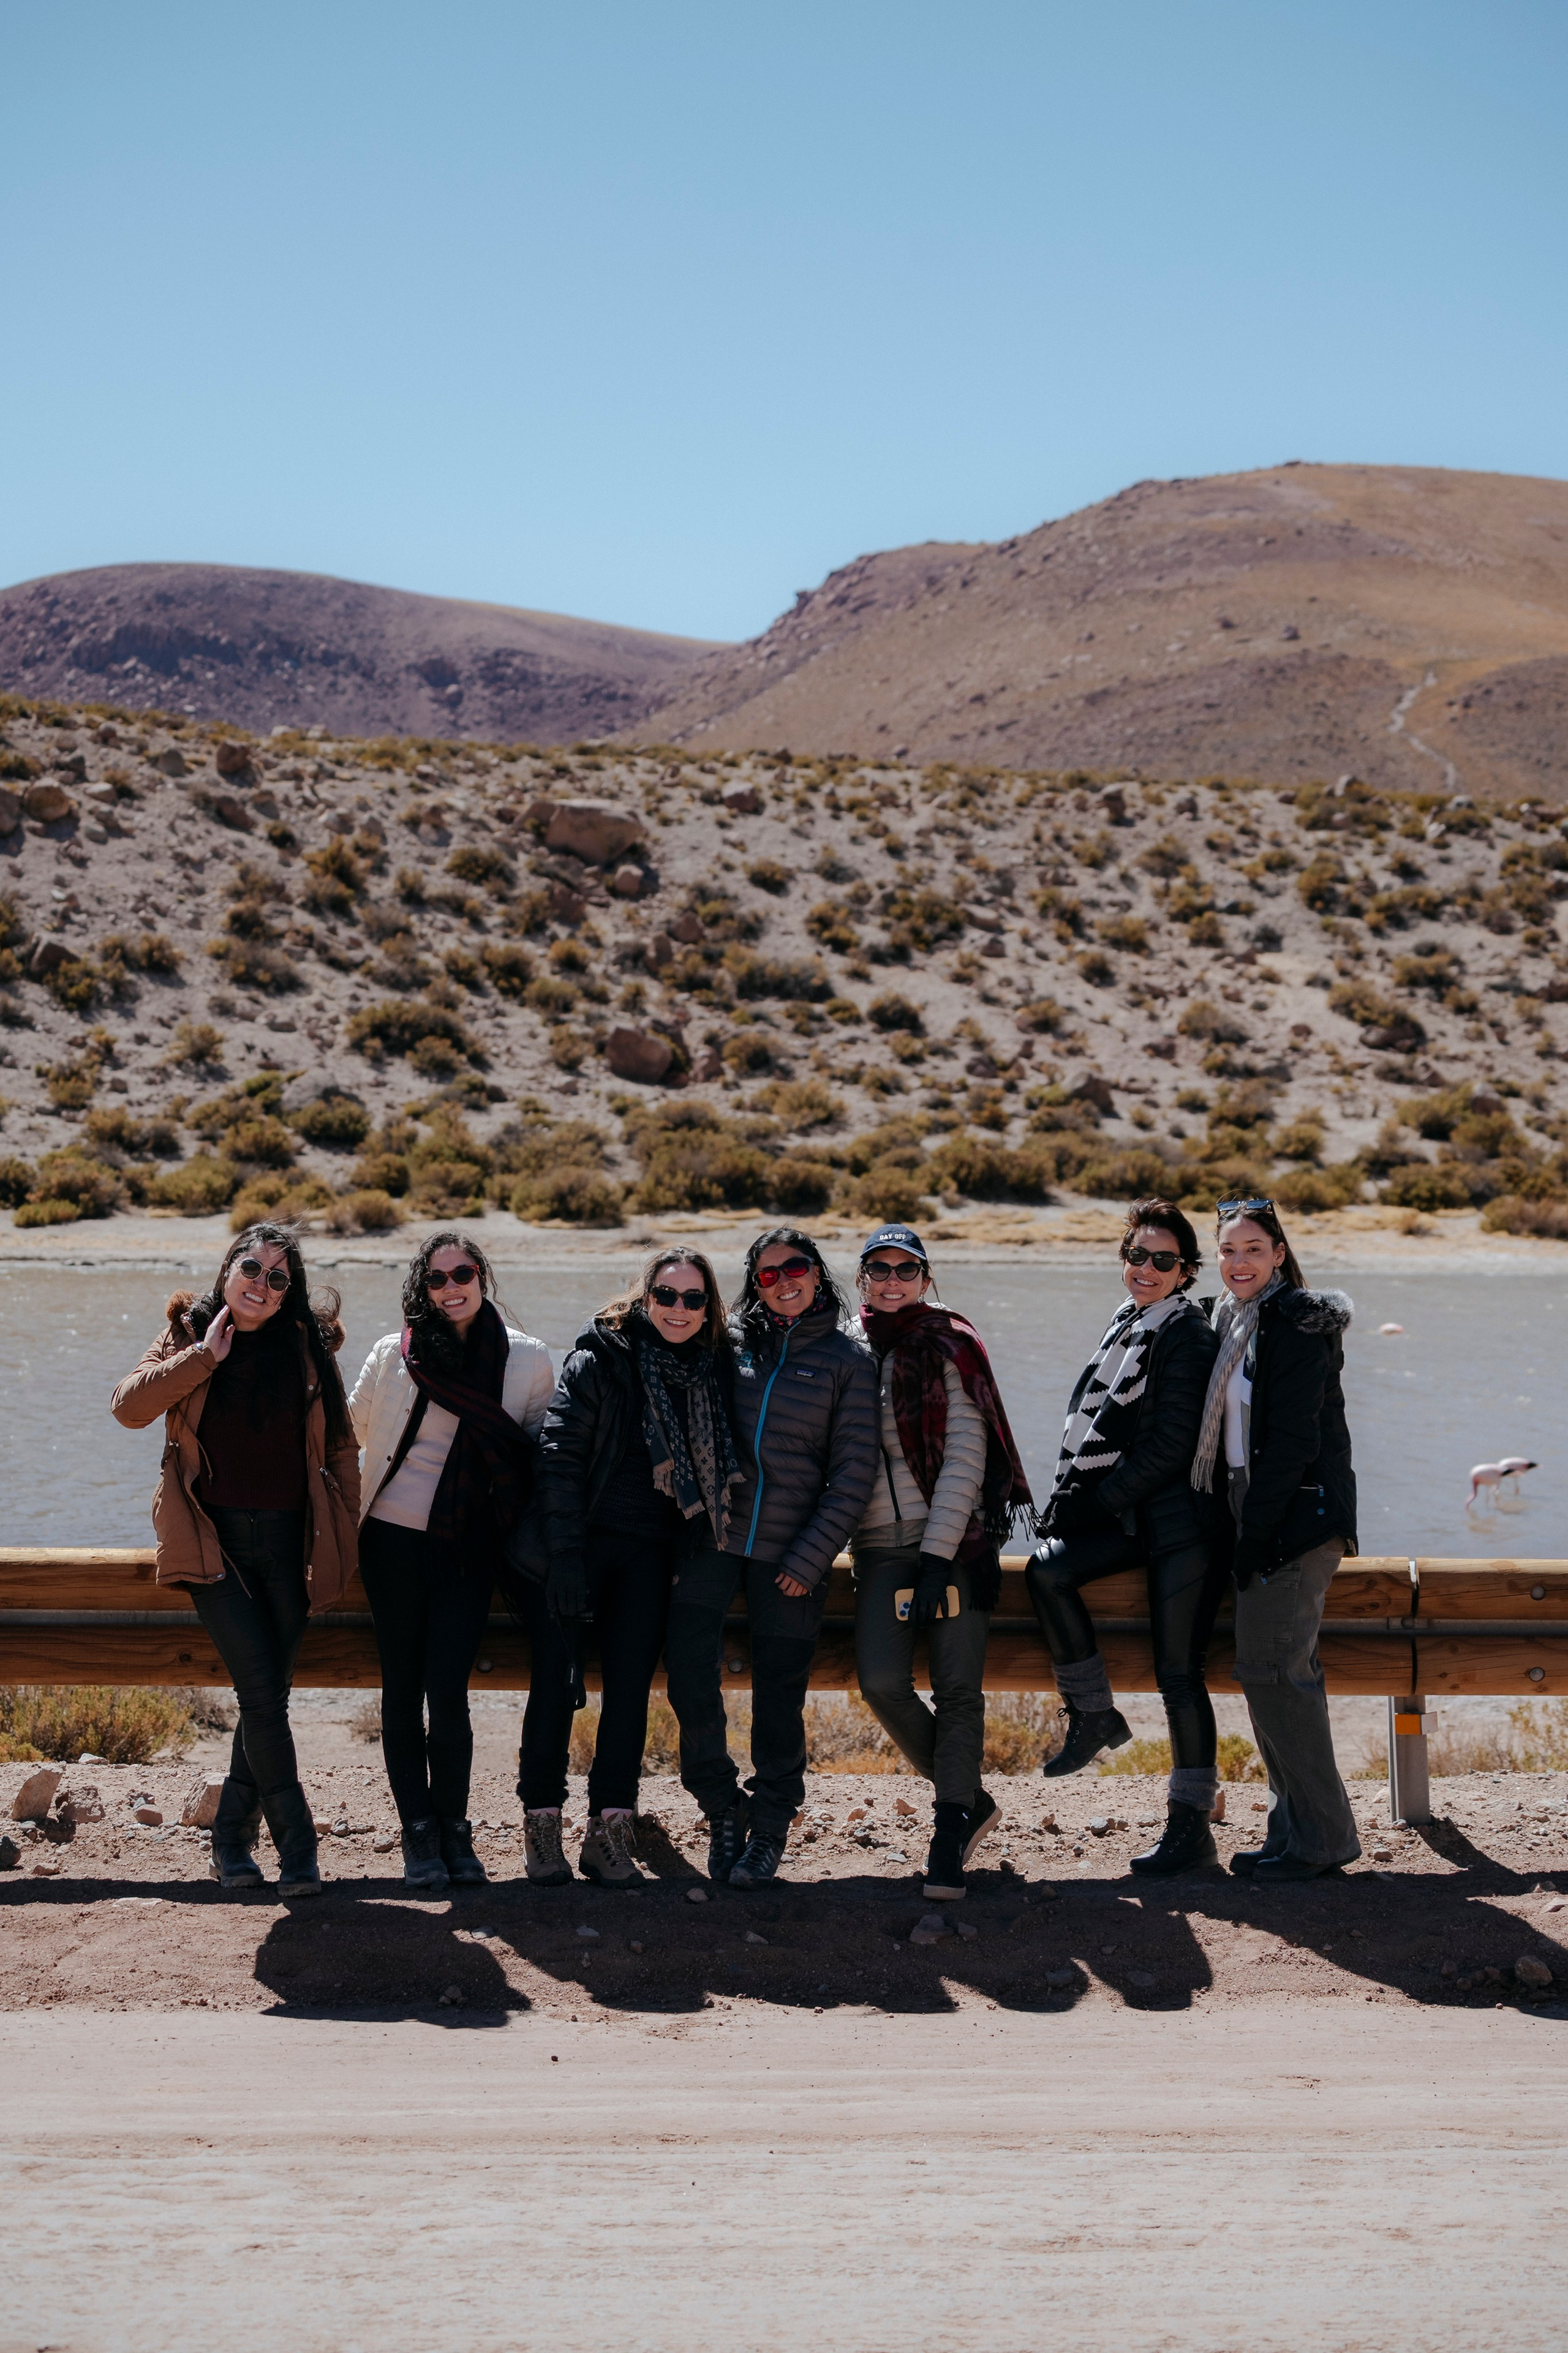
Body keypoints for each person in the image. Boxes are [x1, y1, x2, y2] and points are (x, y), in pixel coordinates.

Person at [111, 1223, 360, 1898]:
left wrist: (343, 1529)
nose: (261, 1284)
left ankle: (230, 1841)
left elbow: (342, 1447)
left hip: (290, 1545)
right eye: (252, 1267)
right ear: (228, 1270)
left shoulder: (307, 1349)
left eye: (278, 1278)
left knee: (265, 1698)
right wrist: (204, 1359)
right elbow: (128, 1408)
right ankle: (299, 1848)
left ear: (287, 1294)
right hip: (212, 1546)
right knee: (261, 1695)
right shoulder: (189, 1333)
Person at [518, 1247, 740, 1888]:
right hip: (578, 1546)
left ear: (709, 1307)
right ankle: (542, 1824)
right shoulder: (601, 1358)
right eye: (666, 1295)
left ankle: (609, 1830)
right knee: (555, 1684)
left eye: (693, 1298)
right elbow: (559, 1455)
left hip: (649, 1555)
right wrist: (565, 1556)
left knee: (628, 1691)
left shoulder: (712, 1370)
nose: (679, 1309)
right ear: (646, 1299)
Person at [663, 1226, 877, 1889]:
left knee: (779, 1697)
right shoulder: (730, 1344)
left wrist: (811, 1557)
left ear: (816, 1272)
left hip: (792, 1552)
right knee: (688, 1674)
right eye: (767, 1273)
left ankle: (770, 1826)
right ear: (754, 1284)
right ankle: (721, 1805)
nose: (784, 1281)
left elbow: (853, 1474)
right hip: (714, 1539)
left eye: (795, 1267)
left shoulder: (848, 1360)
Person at [1027, 1198, 1227, 1877]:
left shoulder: (1185, 1335)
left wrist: (1087, 1507)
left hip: (1182, 1529)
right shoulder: (1130, 1323)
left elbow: (1170, 1447)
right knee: (1047, 1570)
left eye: (1162, 1260)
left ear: (1186, 1271)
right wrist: (1083, 1507)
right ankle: (1093, 1715)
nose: (1146, 1267)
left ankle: (1190, 1828)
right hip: (1139, 1520)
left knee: (1179, 1676)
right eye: (1137, 1254)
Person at [350, 1231, 553, 1893]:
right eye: (436, 1279)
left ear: (481, 1276)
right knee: (402, 1689)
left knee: (449, 1691)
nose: (451, 1288)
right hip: (391, 1542)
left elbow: (535, 1456)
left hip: (470, 1546)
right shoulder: (394, 1353)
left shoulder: (528, 1359)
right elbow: (349, 1432)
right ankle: (418, 1832)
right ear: (423, 1288)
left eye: (462, 1273)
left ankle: (455, 1830)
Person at [851, 1224, 1033, 1900]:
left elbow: (965, 1456)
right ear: (862, 1277)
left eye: (907, 1269)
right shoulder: (846, 1346)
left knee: (958, 1688)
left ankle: (950, 1828)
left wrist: (936, 1557)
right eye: (879, 1268)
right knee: (881, 1680)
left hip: (954, 1542)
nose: (892, 1280)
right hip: (876, 1543)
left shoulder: (951, 1343)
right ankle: (973, 1799)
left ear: (926, 1278)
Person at [1194, 1196, 1360, 1884]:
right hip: (1255, 1505)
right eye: (1228, 1250)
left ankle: (1323, 1839)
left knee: (1276, 1675)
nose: (1240, 1262)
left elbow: (1293, 1440)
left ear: (1279, 1254)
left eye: (1254, 1249)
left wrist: (1257, 1534)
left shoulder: (1294, 1322)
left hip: (1295, 1514)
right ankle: (1292, 1832)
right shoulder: (1230, 1319)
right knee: (1269, 1676)